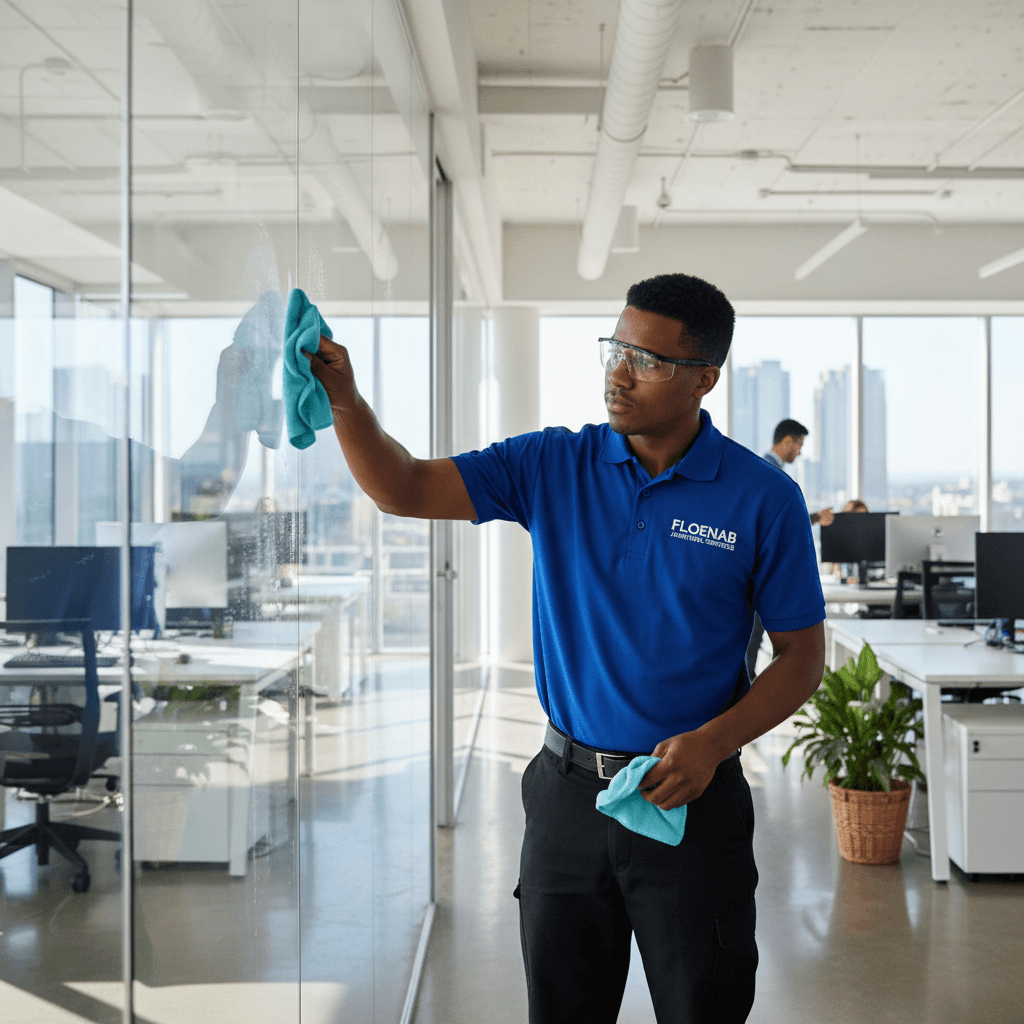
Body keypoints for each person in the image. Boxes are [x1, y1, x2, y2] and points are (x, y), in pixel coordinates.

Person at [305, 273, 826, 1024]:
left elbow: (802, 658)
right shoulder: (552, 464)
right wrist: (346, 403)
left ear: (704, 380)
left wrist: (712, 744)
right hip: (567, 799)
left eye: (647, 360)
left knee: (701, 1007)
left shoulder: (761, 495)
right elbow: (404, 487)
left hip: (693, 799)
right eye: (615, 347)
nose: (619, 372)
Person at [746, 419, 834, 679]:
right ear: (787, 441)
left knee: (751, 644)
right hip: (759, 575)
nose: (799, 452)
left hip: (756, 573)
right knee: (750, 645)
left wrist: (816, 517)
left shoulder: (761, 469)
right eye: (799, 445)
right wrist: (815, 518)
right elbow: (777, 523)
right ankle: (742, 706)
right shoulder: (769, 473)